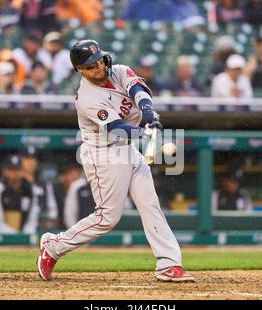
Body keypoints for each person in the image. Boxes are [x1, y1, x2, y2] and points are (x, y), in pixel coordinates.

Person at [37, 39, 194, 282]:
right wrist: (145, 133)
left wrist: (150, 115)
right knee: (107, 218)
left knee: (150, 203)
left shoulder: (118, 70)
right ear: (80, 70)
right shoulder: (87, 97)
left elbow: (138, 91)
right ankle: (53, 246)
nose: (98, 67)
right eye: (91, 65)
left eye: (98, 60)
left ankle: (168, 264)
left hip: (128, 149)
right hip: (104, 153)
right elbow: (116, 128)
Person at [0, 154, 40, 234]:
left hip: (19, 241)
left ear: (23, 171)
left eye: (17, 169)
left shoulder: (30, 189)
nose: (14, 173)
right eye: (10, 169)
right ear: (4, 171)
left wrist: (25, 236)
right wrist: (16, 238)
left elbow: (32, 219)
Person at [20, 147, 59, 230]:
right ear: (21, 160)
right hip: (18, 231)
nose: (31, 162)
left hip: (40, 231)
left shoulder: (44, 184)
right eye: (27, 158)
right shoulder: (16, 184)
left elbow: (53, 211)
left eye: (33, 159)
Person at [51, 164, 83, 230]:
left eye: (77, 173)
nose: (75, 176)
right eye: (71, 173)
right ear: (63, 176)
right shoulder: (55, 191)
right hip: (58, 231)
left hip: (77, 231)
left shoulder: (83, 193)